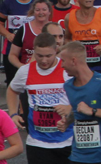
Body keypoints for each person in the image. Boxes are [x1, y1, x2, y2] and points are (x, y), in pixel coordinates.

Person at [57, 41, 101, 164]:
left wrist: (92, 111)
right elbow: (77, 111)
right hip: (78, 155)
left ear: (74, 61)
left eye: (63, 61)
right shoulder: (68, 86)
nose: (61, 65)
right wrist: (67, 121)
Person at [6, 31, 70, 164]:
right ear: (34, 51)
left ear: (56, 50)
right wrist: (13, 114)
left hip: (67, 140)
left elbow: (85, 95)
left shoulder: (67, 69)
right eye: (40, 56)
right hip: (37, 142)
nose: (44, 60)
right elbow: (12, 90)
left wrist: (70, 107)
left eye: (48, 56)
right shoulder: (25, 71)